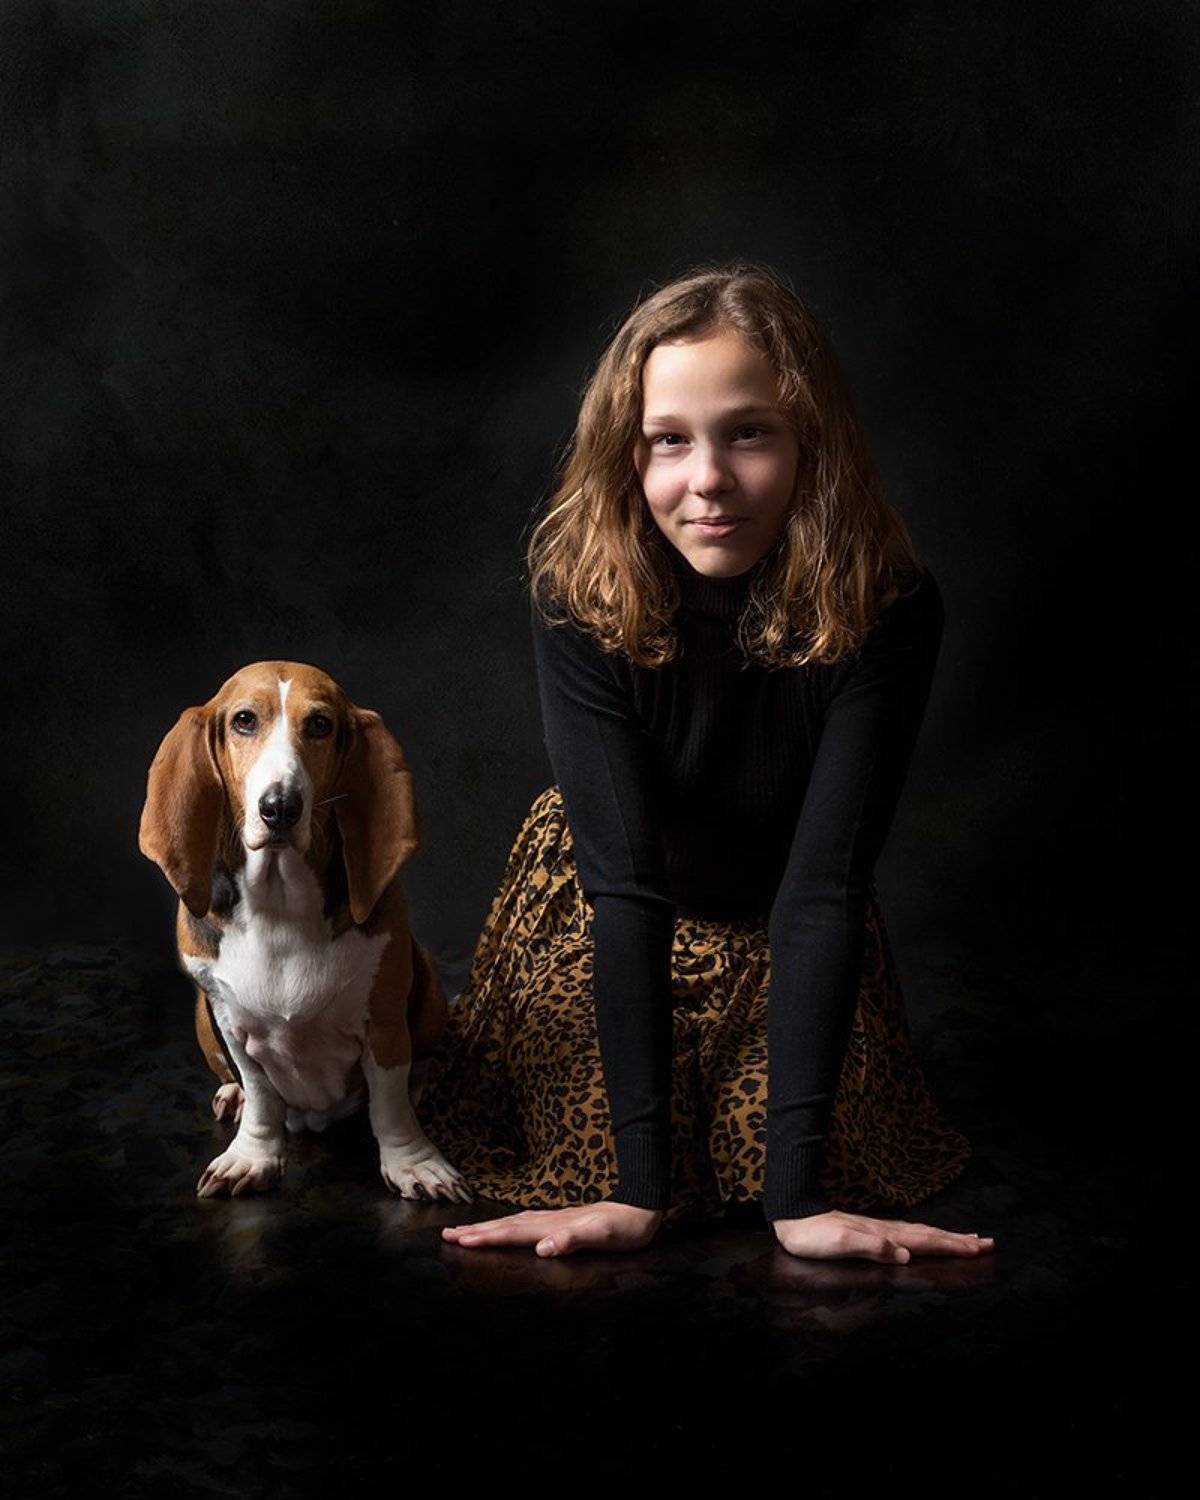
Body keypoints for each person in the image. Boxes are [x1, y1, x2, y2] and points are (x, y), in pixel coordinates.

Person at [424, 261, 994, 1263]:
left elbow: (824, 889)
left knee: (762, 1158)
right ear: (627, 453)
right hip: (607, 897)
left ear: (810, 441)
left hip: (787, 907)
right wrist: (636, 1193)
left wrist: (798, 1203)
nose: (709, 481)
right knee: (599, 1148)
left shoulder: (890, 604)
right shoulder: (579, 593)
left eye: (750, 433)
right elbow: (624, 887)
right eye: (669, 441)